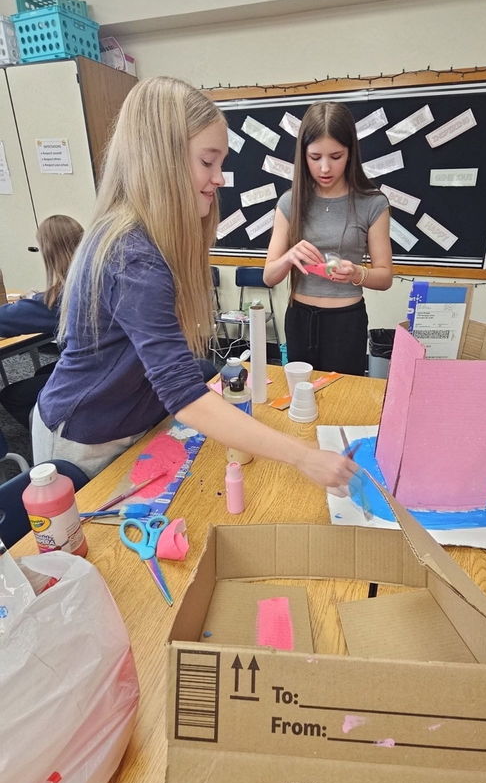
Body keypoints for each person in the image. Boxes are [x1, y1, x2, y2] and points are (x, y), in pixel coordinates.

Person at [32, 77, 355, 492]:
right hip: (87, 436)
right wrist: (304, 457)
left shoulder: (150, 240)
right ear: (160, 160)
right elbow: (183, 393)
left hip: (131, 419)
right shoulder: (133, 255)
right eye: (208, 162)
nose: (220, 178)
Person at [264, 101, 394, 376]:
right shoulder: (290, 202)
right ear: (303, 155)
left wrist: (357, 273)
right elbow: (269, 276)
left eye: (336, 156)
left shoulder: (373, 203)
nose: (325, 168)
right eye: (315, 157)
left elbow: (385, 277)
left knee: (344, 400)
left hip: (346, 321)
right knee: (301, 397)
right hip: (299, 318)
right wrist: (289, 257)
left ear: (350, 154)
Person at [0, 215, 84, 428]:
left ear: (49, 253)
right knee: (42, 373)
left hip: (87, 377)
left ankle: (50, 435)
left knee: (12, 395)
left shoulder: (58, 299)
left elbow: (5, 319)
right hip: (110, 367)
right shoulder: (91, 281)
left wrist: (32, 301)